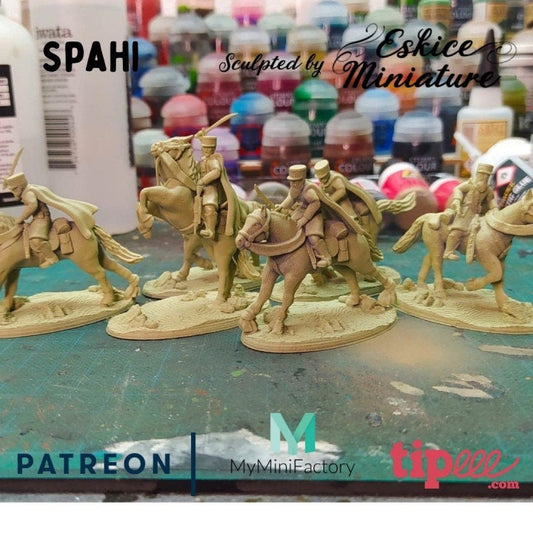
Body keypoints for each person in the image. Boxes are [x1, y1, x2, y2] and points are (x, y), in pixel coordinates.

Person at [3, 171, 98, 268]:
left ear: (20, 187)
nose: (13, 193)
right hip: (37, 218)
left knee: (36, 240)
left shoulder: (28, 193)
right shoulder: (28, 190)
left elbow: (32, 206)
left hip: (41, 219)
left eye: (14, 190)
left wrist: (20, 218)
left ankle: (51, 258)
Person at [276, 164, 332, 269]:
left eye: (296, 181)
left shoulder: (308, 191)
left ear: (302, 180)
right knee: (288, 228)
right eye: (291, 181)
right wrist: (282, 206)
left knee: (313, 238)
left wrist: (305, 218)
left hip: (314, 214)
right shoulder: (294, 188)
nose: (293, 183)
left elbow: (315, 203)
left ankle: (325, 257)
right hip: (301, 211)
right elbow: (291, 198)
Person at [443, 163, 498, 261]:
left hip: (478, 213)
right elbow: (458, 189)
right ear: (478, 174)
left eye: (487, 175)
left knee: (481, 233)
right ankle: (448, 251)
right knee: (458, 231)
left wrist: (495, 209)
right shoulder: (470, 184)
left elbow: (491, 200)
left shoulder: (488, 189)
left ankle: (474, 252)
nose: (484, 177)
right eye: (482, 174)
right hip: (465, 211)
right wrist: (457, 199)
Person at [196, 135, 241, 239]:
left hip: (211, 188)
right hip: (199, 187)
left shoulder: (213, 161)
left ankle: (210, 230)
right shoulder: (201, 161)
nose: (208, 150)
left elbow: (216, 172)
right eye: (205, 148)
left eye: (210, 148)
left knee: (209, 207)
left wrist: (202, 181)